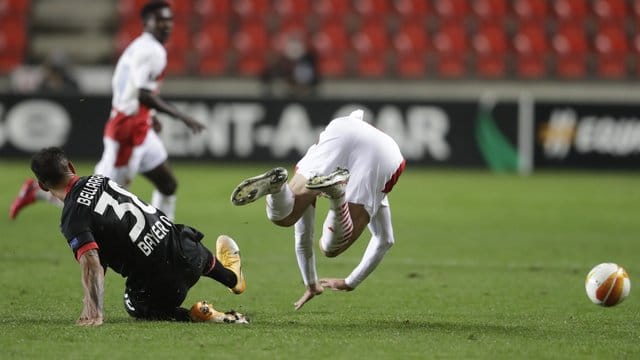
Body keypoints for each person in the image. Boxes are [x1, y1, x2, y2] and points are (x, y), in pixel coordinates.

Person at [9, 1, 204, 221]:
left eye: (169, 20)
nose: (166, 25)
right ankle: (37, 191)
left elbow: (130, 88)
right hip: (127, 129)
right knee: (97, 201)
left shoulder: (140, 46)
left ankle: (166, 234)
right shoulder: (152, 52)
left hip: (138, 124)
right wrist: (182, 117)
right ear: (146, 23)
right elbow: (142, 94)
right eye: (160, 20)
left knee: (167, 184)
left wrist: (150, 115)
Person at [29, 147, 248, 325]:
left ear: (42, 186)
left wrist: (93, 311)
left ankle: (197, 315)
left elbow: (91, 262)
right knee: (176, 237)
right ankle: (231, 277)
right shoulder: (100, 180)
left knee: (134, 304)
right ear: (70, 167)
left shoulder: (72, 218)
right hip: (192, 252)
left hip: (164, 284)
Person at [230, 109, 405, 310]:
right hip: (384, 152)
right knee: (330, 249)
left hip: (342, 128)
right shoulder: (377, 185)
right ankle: (337, 195)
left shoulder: (321, 155)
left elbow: (303, 237)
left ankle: (277, 190)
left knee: (285, 217)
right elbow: (385, 239)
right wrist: (350, 281)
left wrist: (311, 282)